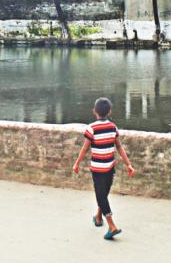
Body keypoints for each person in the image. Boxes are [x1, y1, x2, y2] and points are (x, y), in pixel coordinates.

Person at [72, 97, 135, 241]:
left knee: (101, 196)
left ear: (94, 111)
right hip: (110, 167)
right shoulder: (113, 127)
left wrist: (76, 163)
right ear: (109, 112)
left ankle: (111, 226)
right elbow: (119, 147)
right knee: (103, 195)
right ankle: (99, 218)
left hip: (98, 170)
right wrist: (128, 164)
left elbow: (85, 148)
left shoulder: (92, 128)